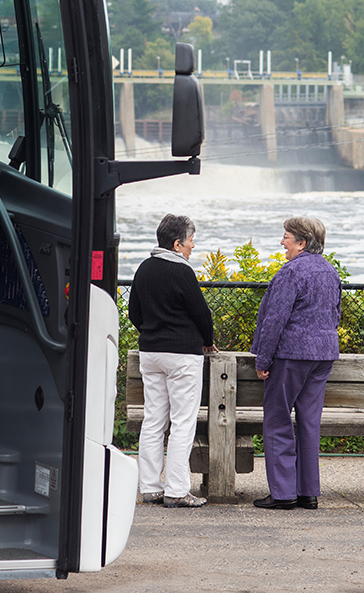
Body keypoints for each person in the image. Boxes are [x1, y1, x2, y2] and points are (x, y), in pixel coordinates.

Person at [251, 218, 342, 510]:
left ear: (301, 243)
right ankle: (308, 492)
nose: (282, 242)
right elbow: (335, 314)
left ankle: (283, 493)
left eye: (286, 237)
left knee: (277, 419)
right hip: (323, 356)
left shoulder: (290, 272)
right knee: (309, 422)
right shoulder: (330, 271)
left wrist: (263, 359)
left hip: (291, 355)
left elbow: (274, 320)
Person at [128, 214, 216, 508]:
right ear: (177, 244)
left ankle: (151, 487)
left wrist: (152, 334)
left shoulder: (144, 269)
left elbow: (134, 314)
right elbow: (202, 314)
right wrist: (206, 340)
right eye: (191, 241)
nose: (193, 246)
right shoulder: (182, 272)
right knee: (182, 423)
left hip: (151, 353)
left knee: (153, 420)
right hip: (182, 356)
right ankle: (177, 490)